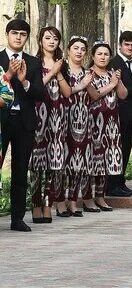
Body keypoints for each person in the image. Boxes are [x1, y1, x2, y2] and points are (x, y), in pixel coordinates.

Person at [1, 19, 47, 231]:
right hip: (2, 121)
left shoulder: (34, 62)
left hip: (24, 122)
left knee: (20, 170)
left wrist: (25, 81)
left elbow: (41, 93)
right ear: (7, 35)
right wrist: (9, 75)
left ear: (27, 37)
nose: (18, 37)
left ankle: (17, 218)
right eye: (14, 33)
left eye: (23, 34)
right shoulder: (0, 59)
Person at [29, 26, 68, 223]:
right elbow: (33, 88)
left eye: (55, 38)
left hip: (58, 116)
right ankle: (35, 204)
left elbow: (68, 93)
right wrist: (51, 72)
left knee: (55, 162)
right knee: (37, 162)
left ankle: (47, 203)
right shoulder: (32, 62)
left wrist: (59, 72)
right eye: (47, 38)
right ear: (40, 40)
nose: (51, 41)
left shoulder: (63, 63)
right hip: (38, 115)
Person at [85, 42, 126, 214]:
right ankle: (88, 198)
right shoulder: (88, 74)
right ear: (93, 56)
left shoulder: (112, 74)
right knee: (92, 160)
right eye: (99, 54)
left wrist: (118, 81)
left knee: (106, 160)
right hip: (93, 123)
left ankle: (100, 196)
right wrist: (110, 85)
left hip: (111, 124)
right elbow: (94, 95)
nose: (103, 57)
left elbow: (123, 95)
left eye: (106, 54)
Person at [108, 31, 132, 195]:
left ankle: (121, 182)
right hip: (116, 111)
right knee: (116, 147)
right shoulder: (113, 62)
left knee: (127, 146)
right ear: (120, 45)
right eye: (127, 44)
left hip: (131, 111)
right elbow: (127, 91)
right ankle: (112, 184)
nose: (130, 47)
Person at [62, 36, 92, 216]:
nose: (79, 52)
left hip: (83, 121)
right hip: (65, 119)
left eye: (82, 49)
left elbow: (95, 95)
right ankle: (59, 201)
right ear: (68, 50)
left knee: (79, 163)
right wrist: (80, 86)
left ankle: (73, 201)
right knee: (64, 162)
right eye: (75, 48)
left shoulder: (88, 73)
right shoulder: (63, 71)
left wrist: (88, 84)